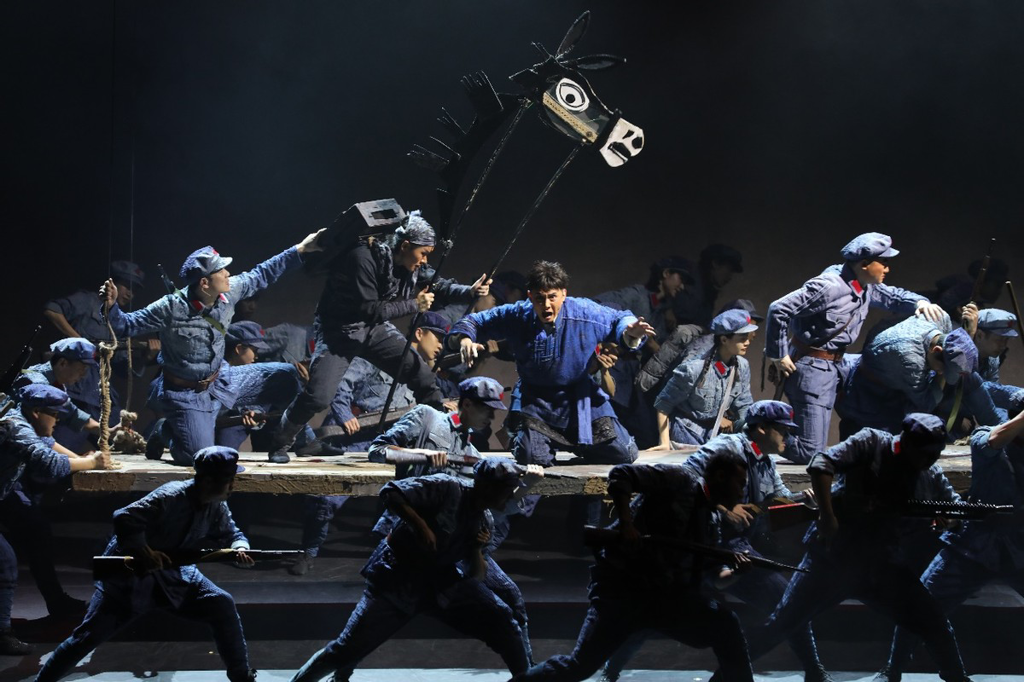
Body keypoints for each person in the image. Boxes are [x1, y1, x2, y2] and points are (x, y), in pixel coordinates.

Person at [602, 400, 829, 682]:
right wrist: (724, 509)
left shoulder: (766, 462)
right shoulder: (726, 447)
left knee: (789, 603)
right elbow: (689, 480)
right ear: (761, 428)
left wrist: (803, 502)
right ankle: (610, 671)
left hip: (734, 548)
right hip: (700, 542)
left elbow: (776, 499)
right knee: (652, 614)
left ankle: (813, 670)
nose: (788, 436)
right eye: (783, 430)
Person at [745, 414, 972, 682]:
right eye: (925, 454)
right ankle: (728, 672)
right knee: (780, 625)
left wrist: (949, 521)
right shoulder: (871, 443)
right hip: (831, 560)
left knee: (934, 623)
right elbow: (821, 464)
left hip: (882, 566)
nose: (930, 460)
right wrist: (827, 515)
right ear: (907, 443)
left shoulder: (929, 474)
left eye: (935, 454)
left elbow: (956, 509)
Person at [514, 451, 756, 682]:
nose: (741, 492)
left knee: (726, 624)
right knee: (579, 666)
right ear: (720, 477)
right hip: (623, 592)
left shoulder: (711, 522)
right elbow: (622, 474)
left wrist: (736, 572)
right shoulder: (680, 480)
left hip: (664, 599)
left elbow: (714, 578)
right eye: (740, 483)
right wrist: (627, 524)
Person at [268, 212, 489, 461]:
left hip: (374, 329)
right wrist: (415, 305)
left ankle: (443, 438)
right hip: (339, 332)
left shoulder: (408, 263)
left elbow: (438, 284)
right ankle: (281, 443)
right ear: (405, 246)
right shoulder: (362, 258)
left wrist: (469, 292)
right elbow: (369, 309)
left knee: (422, 375)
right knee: (318, 396)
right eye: (423, 253)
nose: (425, 260)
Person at [289, 459, 534, 682]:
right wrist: (420, 526)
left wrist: (476, 549)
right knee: (345, 650)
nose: (510, 496)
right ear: (489, 487)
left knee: (503, 621)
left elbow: (475, 576)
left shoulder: (484, 521)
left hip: (441, 582)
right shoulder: (448, 488)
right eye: (508, 489)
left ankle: (528, 680)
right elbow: (391, 492)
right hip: (399, 579)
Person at [101, 229, 325, 464]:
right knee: (197, 457)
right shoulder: (169, 307)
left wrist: (302, 249)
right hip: (187, 394)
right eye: (221, 270)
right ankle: (165, 431)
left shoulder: (230, 291)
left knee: (287, 376)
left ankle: (292, 442)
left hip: (222, 380)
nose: (228, 273)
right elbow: (125, 325)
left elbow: (263, 273)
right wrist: (111, 306)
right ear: (205, 282)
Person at [34, 447, 257, 681]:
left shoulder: (216, 504)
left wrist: (240, 547)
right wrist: (143, 550)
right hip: (132, 578)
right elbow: (124, 517)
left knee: (221, 603)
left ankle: (241, 675)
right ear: (209, 481)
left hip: (175, 575)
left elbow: (232, 533)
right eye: (229, 480)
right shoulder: (171, 496)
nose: (233, 486)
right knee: (87, 637)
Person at [448, 260, 653, 468]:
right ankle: (529, 437)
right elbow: (475, 321)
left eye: (552, 297)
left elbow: (620, 319)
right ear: (530, 296)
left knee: (623, 453)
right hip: (536, 401)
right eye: (540, 298)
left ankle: (583, 446)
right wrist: (465, 338)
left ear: (563, 294)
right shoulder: (518, 315)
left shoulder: (584, 312)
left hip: (580, 399)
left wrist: (630, 332)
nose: (546, 305)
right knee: (532, 457)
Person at [878, 393, 1024, 681]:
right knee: (920, 606)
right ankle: (892, 669)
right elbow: (992, 442)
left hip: (1019, 547)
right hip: (973, 545)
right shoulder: (986, 436)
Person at [765, 232, 944, 464]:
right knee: (810, 451)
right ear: (865, 264)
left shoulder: (864, 285)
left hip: (839, 364)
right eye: (883, 262)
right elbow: (778, 309)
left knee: (872, 378)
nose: (887, 268)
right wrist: (778, 355)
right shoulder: (829, 286)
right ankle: (760, 432)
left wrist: (920, 302)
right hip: (813, 367)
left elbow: (894, 297)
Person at [0, 385, 111, 655]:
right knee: (5, 563)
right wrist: (91, 464)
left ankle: (57, 602)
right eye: (55, 414)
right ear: (37, 412)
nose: (58, 420)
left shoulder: (24, 421)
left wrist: (83, 459)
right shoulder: (16, 427)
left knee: (35, 528)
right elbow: (48, 463)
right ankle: (1, 634)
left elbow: (46, 444)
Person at [42, 261, 157, 443]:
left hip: (101, 394)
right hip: (74, 390)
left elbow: (122, 369)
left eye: (134, 290)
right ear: (112, 283)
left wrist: (147, 356)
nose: (130, 293)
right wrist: (80, 342)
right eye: (126, 286)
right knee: (62, 444)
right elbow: (52, 310)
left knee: (127, 441)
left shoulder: (121, 321)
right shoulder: (88, 301)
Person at [837, 313, 999, 437]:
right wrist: (941, 376)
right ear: (937, 350)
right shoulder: (910, 360)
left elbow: (957, 348)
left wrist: (967, 336)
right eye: (943, 369)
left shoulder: (940, 319)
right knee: (873, 447)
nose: (941, 372)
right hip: (866, 394)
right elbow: (925, 405)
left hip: (891, 387)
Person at [592, 256, 693, 448]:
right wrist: (608, 341)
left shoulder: (663, 311)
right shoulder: (636, 295)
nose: (682, 286)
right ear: (666, 274)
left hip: (632, 375)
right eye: (681, 279)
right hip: (613, 368)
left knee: (644, 433)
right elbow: (596, 306)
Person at [651, 309, 756, 449]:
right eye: (742, 338)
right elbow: (663, 404)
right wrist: (664, 442)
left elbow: (744, 404)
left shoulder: (742, 366)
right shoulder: (694, 369)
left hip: (715, 435)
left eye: (747, 337)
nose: (747, 342)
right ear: (724, 340)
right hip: (687, 434)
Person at [215, 320, 312, 452]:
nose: (256, 356)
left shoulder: (251, 377)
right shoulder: (216, 371)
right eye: (254, 350)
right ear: (239, 349)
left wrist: (249, 412)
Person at [15, 338, 110, 452]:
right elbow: (41, 436)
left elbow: (72, 414)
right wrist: (82, 460)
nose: (83, 374)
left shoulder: (56, 383)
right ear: (63, 363)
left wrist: (110, 432)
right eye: (81, 369)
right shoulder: (39, 386)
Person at [672, 244, 744, 327]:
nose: (730, 277)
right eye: (729, 270)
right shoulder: (688, 278)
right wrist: (667, 308)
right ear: (715, 263)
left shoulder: (708, 289)